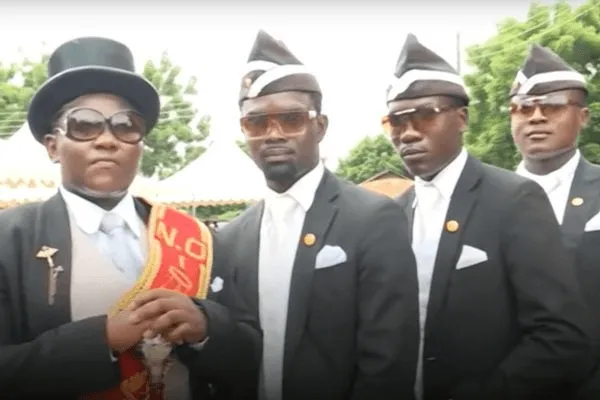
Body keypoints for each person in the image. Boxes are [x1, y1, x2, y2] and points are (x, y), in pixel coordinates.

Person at [0, 37, 260, 400]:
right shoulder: (9, 239)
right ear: (53, 146)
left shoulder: (196, 239)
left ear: (140, 144)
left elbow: (250, 353)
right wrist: (102, 340)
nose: (108, 140)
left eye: (125, 125)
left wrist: (206, 328)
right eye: (84, 124)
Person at [385, 34, 593, 400]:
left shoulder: (514, 199)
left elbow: (559, 333)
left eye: (425, 116)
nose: (409, 133)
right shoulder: (392, 214)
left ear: (462, 118)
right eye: (395, 122)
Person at [217, 30, 420, 400]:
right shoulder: (231, 237)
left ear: (320, 126)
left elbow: (388, 362)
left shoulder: (373, 219)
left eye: (291, 119)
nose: (273, 134)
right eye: (256, 122)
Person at [510, 44, 600, 399]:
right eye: (523, 107)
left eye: (552, 106)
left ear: (583, 116)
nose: (535, 117)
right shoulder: (482, 201)